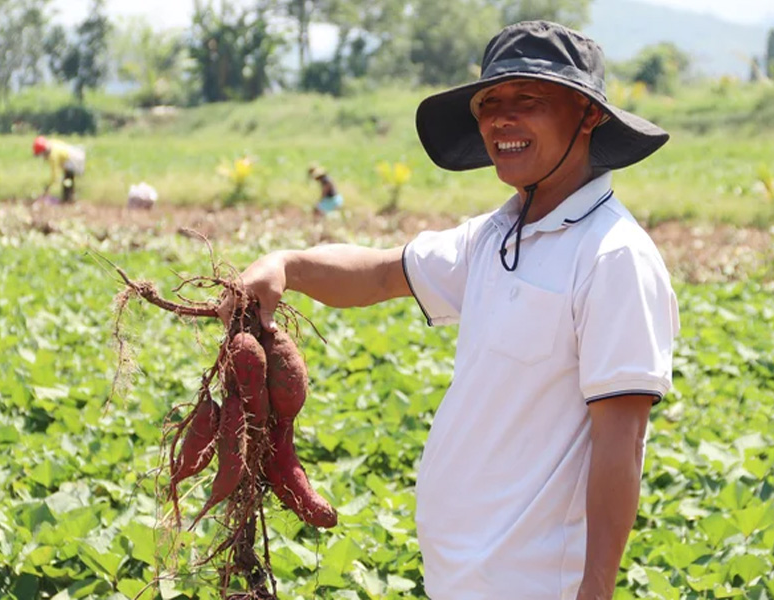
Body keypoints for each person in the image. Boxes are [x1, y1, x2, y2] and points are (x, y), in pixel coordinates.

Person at [236, 21, 680, 599]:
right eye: (490, 102)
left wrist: (595, 591)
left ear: (587, 113)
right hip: (459, 575)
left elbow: (622, 442)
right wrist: (287, 264)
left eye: (529, 99)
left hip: (537, 583)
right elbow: (379, 273)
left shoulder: (613, 256)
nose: (502, 118)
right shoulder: (496, 236)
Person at [32, 136, 85, 204]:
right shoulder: (51, 143)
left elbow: (55, 176)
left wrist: (48, 187)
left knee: (68, 181)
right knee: (67, 180)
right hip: (74, 152)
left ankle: (69, 200)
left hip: (74, 160)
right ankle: (69, 199)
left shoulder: (53, 156)